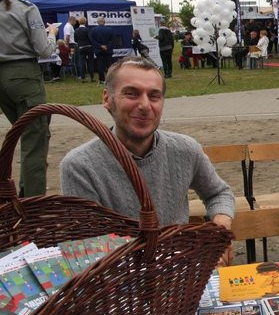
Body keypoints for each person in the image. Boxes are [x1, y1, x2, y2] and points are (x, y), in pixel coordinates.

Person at [60, 56, 235, 267]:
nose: (145, 105)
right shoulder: (80, 166)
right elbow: (88, 247)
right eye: (131, 94)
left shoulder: (185, 149)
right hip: (118, 283)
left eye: (154, 96)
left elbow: (218, 193)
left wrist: (220, 228)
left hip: (180, 275)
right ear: (107, 98)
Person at [0, 0, 57, 197]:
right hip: (24, 76)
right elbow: (44, 50)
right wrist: (52, 34)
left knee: (21, 132)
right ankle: (33, 203)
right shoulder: (26, 8)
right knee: (35, 138)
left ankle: (23, 194)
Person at [90, 16, 114, 83]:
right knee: (109, 65)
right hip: (108, 50)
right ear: (104, 22)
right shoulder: (110, 29)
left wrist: (100, 46)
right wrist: (107, 46)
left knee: (100, 65)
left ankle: (101, 79)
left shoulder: (93, 30)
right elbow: (112, 40)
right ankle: (110, 79)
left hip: (98, 50)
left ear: (97, 22)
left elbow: (92, 40)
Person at [74, 16, 95, 82]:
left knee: (82, 63)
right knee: (90, 62)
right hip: (89, 47)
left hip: (81, 48)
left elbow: (75, 40)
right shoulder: (87, 30)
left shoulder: (76, 30)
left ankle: (83, 78)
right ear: (85, 22)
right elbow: (91, 39)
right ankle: (92, 77)